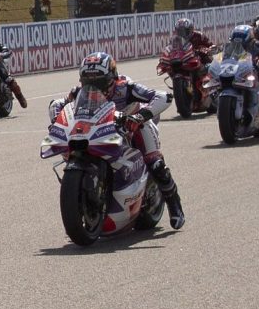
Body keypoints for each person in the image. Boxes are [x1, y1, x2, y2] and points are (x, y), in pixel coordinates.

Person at [48, 53, 185, 229]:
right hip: (99, 130)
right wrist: (56, 122)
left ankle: (175, 205)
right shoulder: (78, 92)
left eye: (99, 81)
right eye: (87, 81)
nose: (93, 86)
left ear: (112, 77)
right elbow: (56, 104)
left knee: (155, 164)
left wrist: (139, 117)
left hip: (134, 126)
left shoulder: (126, 87)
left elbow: (163, 96)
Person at [229, 24, 259, 102]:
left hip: (253, 74)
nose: (239, 47)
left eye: (243, 45)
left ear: (251, 41)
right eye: (235, 44)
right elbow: (219, 59)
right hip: (234, 73)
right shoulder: (229, 48)